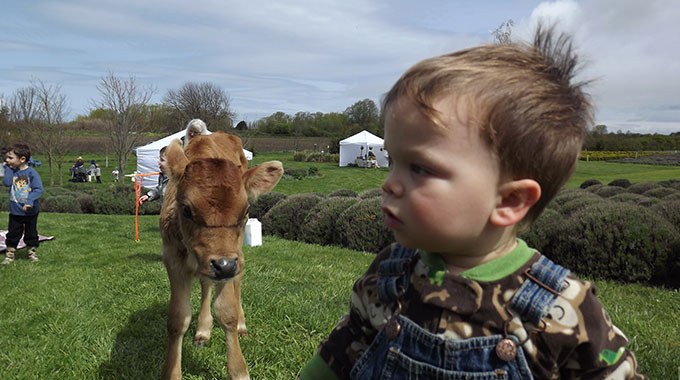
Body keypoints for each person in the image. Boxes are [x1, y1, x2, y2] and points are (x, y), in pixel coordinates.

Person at [299, 26, 646, 379]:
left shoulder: (562, 309)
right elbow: (339, 358)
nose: (389, 184)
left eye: (419, 168)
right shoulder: (390, 275)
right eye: (393, 160)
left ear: (509, 200)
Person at [2, 143, 44, 264]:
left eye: (10, 158)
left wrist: (30, 201)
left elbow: (38, 189)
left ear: (22, 159)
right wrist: (7, 168)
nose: (7, 160)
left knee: (31, 233)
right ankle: (10, 253)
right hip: (15, 211)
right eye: (7, 157)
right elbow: (6, 183)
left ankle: (31, 252)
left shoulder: (32, 173)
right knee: (13, 234)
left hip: (30, 211)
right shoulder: (12, 171)